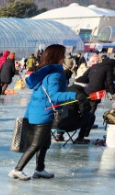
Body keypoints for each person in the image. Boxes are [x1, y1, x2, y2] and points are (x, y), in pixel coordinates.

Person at [9, 44, 82, 181]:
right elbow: (54, 96)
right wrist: (74, 96)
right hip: (43, 112)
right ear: (57, 56)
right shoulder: (54, 74)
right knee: (36, 144)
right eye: (63, 54)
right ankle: (17, 169)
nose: (65, 57)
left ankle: (40, 169)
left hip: (36, 110)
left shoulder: (43, 71)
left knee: (45, 143)